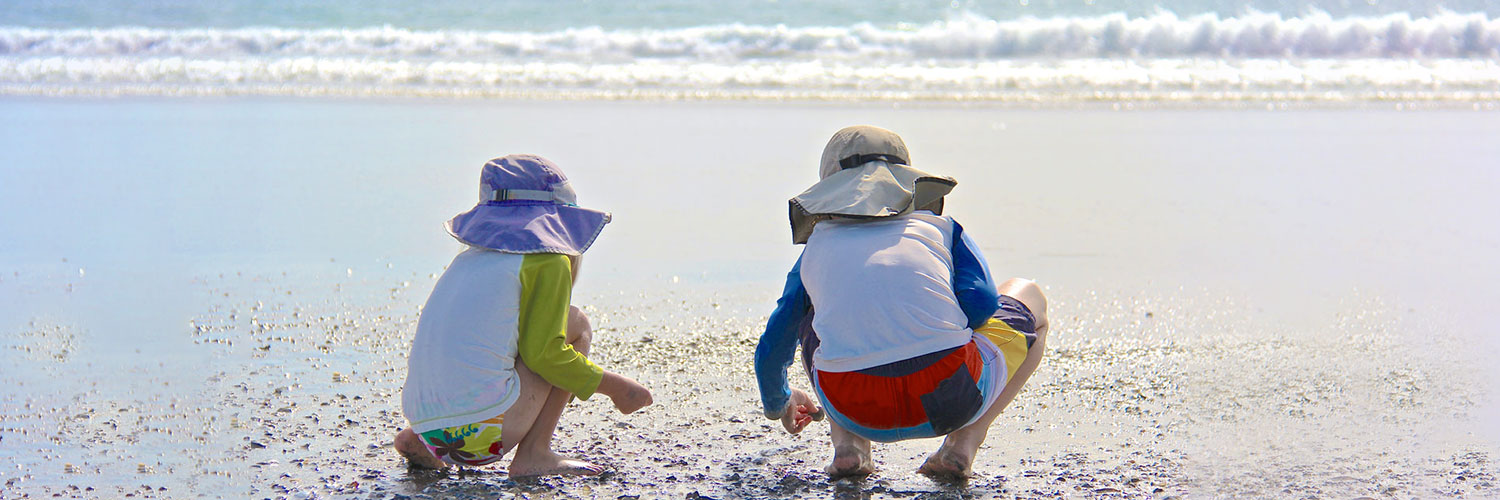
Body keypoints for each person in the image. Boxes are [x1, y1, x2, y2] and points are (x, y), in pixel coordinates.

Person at [754, 126, 1050, 481]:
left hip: (853, 407)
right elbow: (981, 305)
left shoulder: (814, 251)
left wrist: (780, 403)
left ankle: (849, 446)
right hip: (952, 398)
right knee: (1029, 293)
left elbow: (773, 347)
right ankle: (964, 444)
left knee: (811, 314)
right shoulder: (941, 228)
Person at [393, 154, 653, 477]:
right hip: (482, 436)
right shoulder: (549, 260)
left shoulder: (469, 260)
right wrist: (615, 387)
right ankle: (534, 452)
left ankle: (420, 441)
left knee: (498, 342)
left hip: (427, 426)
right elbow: (544, 355)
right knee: (576, 324)